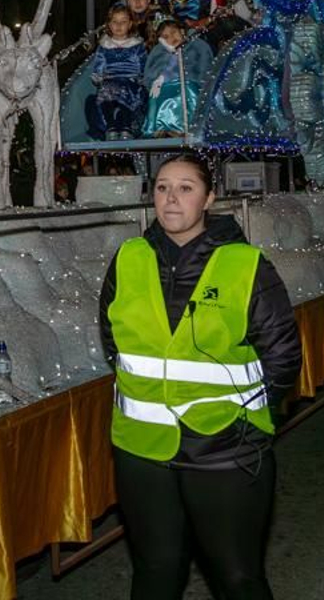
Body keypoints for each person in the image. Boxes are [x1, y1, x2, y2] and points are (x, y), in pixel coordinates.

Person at [99, 154, 301, 600]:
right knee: (155, 571)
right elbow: (112, 341)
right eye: (162, 187)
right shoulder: (128, 258)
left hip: (224, 450)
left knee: (237, 577)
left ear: (209, 198)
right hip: (142, 448)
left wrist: (245, 423)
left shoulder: (245, 264)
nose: (171, 198)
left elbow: (283, 355)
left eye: (185, 188)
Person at [84, 6, 149, 140]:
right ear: (109, 24)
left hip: (130, 81)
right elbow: (99, 66)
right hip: (111, 81)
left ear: (130, 24)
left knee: (125, 89)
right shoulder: (104, 46)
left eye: (123, 22)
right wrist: (98, 77)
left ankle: (126, 126)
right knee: (106, 89)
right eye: (115, 21)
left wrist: (142, 80)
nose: (119, 25)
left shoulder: (137, 45)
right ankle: (111, 125)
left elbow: (143, 66)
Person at [141, 20, 211, 137]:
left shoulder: (197, 45)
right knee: (157, 95)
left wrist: (199, 82)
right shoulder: (159, 51)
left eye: (174, 32)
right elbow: (150, 74)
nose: (171, 37)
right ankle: (162, 129)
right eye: (165, 37)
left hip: (191, 83)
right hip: (166, 85)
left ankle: (186, 128)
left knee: (186, 91)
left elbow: (205, 68)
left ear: (182, 31)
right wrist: (158, 79)